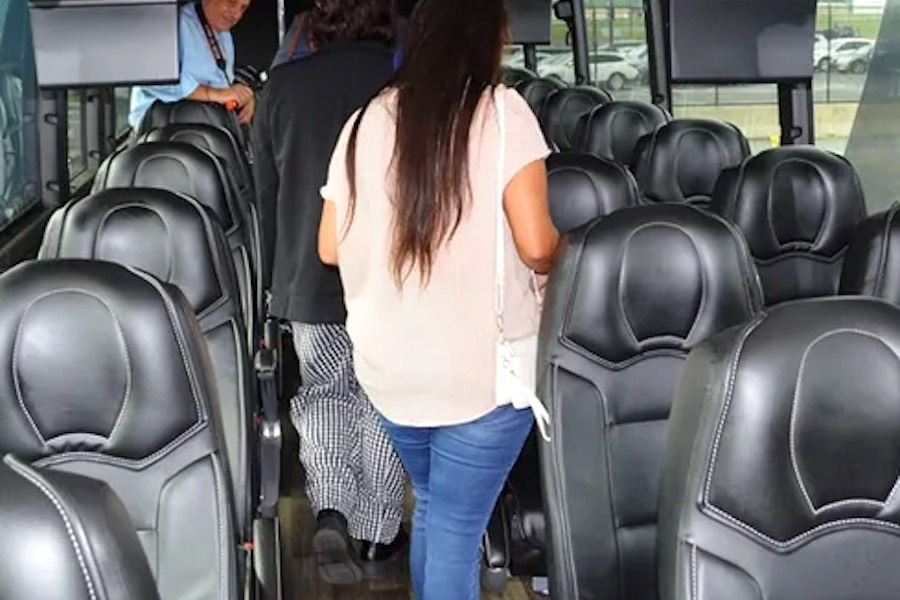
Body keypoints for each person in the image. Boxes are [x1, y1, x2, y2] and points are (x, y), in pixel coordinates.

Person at [317, 0, 560, 597]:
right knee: (456, 525)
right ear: (488, 41)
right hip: (479, 373)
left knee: (433, 505)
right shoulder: (503, 113)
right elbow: (535, 244)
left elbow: (328, 245)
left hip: (389, 369)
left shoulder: (366, 120)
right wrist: (571, 254)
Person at [251, 0, 408, 585]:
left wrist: (275, 283)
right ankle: (377, 534)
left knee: (324, 391)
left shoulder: (284, 88)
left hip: (305, 276)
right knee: (385, 398)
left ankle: (332, 507)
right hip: (393, 279)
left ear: (316, 22)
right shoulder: (408, 85)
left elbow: (264, 193)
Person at [129, 0, 255, 129]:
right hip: (161, 131)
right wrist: (213, 94)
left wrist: (243, 97)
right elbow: (151, 74)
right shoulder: (170, 24)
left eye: (243, 8)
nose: (236, 14)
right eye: (231, 3)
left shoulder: (223, 34)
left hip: (205, 122)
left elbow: (222, 84)